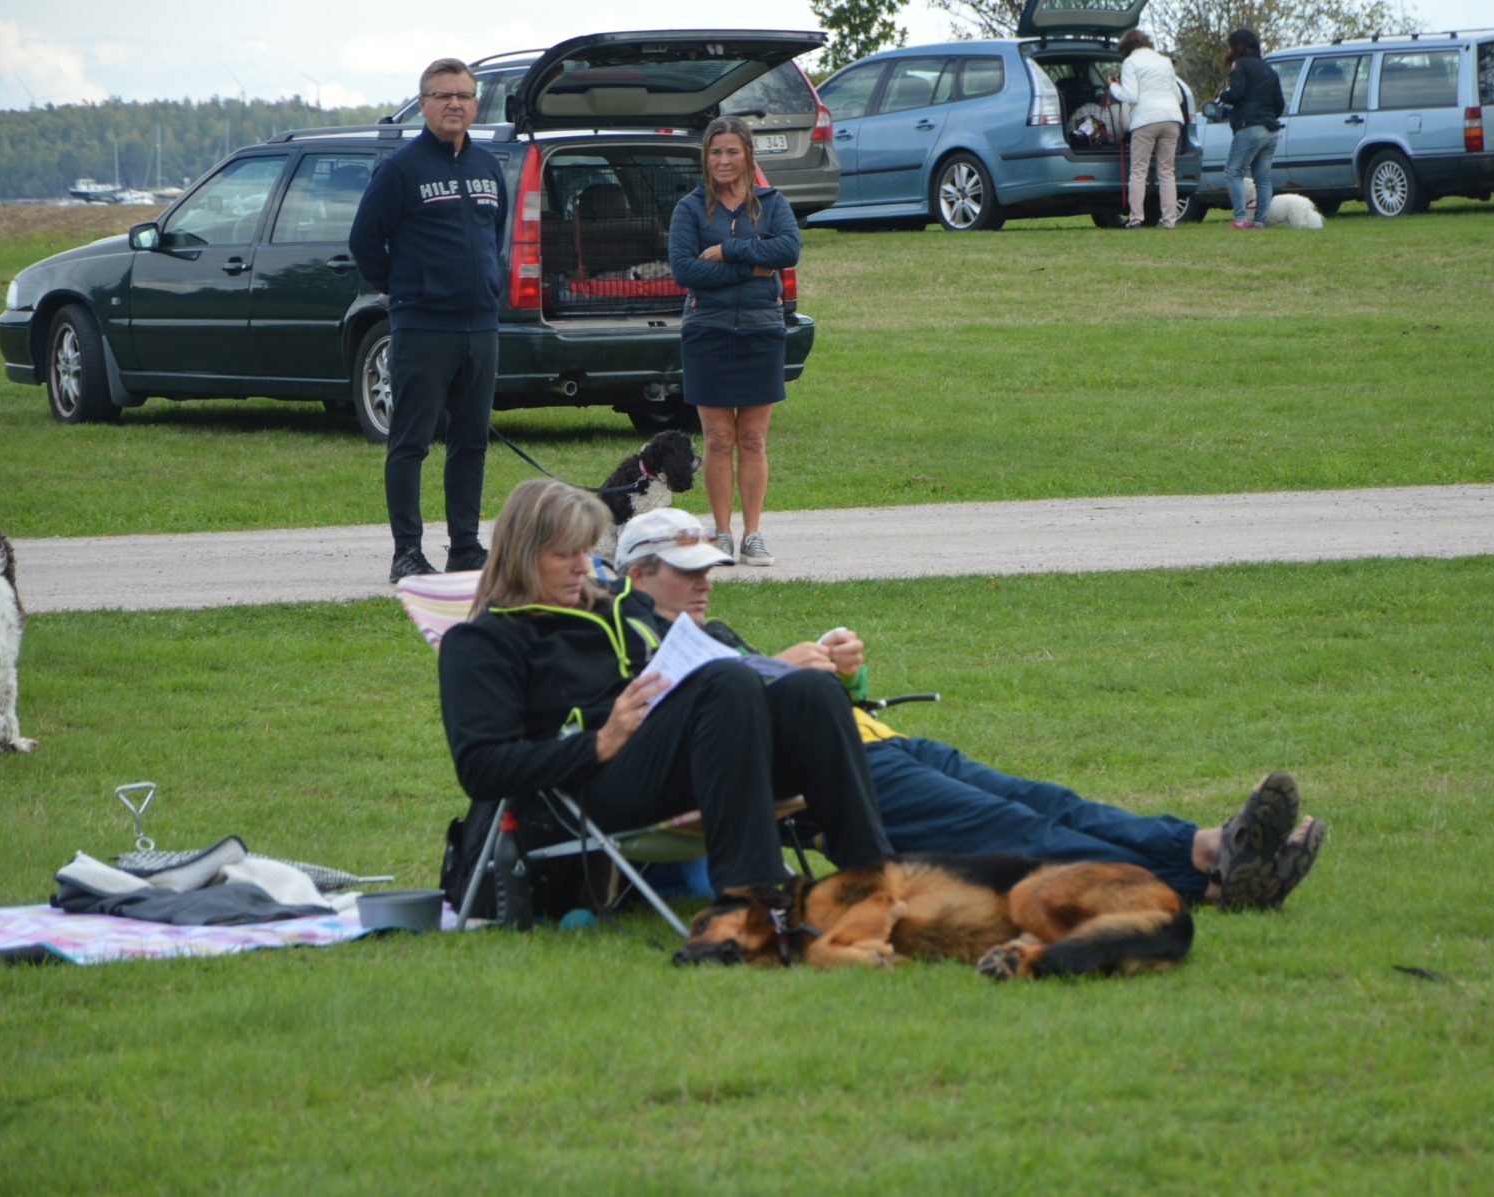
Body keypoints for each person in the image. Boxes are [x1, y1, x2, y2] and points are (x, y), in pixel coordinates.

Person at [615, 508, 1327, 912]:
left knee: (1049, 801)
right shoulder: (633, 644)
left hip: (886, 743)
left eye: (711, 570)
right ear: (638, 574)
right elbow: (708, 736)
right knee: (1019, 829)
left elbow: (806, 703)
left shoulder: (711, 632)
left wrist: (846, 676)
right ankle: (1205, 885)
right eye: (687, 572)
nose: (706, 583)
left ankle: (1207, 844)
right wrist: (782, 673)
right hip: (836, 781)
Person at [436, 479, 892, 916]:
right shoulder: (485, 642)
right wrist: (600, 742)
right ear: (523, 555)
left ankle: (874, 885)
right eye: (564, 554)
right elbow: (482, 768)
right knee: (724, 683)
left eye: (584, 551)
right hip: (589, 785)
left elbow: (702, 646)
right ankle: (752, 903)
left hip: (690, 754)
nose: (582, 566)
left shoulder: (617, 602)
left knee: (810, 691)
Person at [350, 58, 506, 582]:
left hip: (480, 327)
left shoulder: (487, 166)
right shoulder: (401, 169)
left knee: (471, 441)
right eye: (443, 96)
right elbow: (364, 240)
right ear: (423, 104)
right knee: (411, 441)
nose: (455, 104)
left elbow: (494, 234)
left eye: (464, 95)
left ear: (475, 104)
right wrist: (405, 289)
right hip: (422, 327)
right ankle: (407, 552)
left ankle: (464, 546)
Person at [667, 116, 801, 569]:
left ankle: (753, 535)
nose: (723, 160)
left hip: (762, 329)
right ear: (705, 157)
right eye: (715, 152)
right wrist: (753, 267)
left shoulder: (772, 203)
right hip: (707, 330)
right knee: (719, 437)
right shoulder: (690, 209)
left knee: (754, 438)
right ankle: (722, 534)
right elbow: (686, 271)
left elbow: (788, 251)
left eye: (732, 151)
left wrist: (729, 251)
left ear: (748, 155)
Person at [1108, 30, 1187, 229]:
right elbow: (1178, 96)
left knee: (1138, 171)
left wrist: (1113, 87)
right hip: (1171, 118)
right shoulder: (1165, 62)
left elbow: (1131, 96)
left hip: (1145, 119)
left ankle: (1136, 219)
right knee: (1167, 171)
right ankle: (1170, 221)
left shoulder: (1130, 62)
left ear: (1126, 48)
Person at [1217, 29, 1286, 230]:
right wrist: (1268, 117)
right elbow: (1279, 104)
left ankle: (1240, 219)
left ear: (1238, 46)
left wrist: (1223, 95)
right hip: (1270, 129)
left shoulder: (1240, 65)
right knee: (1262, 179)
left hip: (1250, 126)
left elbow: (1236, 94)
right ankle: (1259, 222)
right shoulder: (1269, 70)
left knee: (1233, 172)